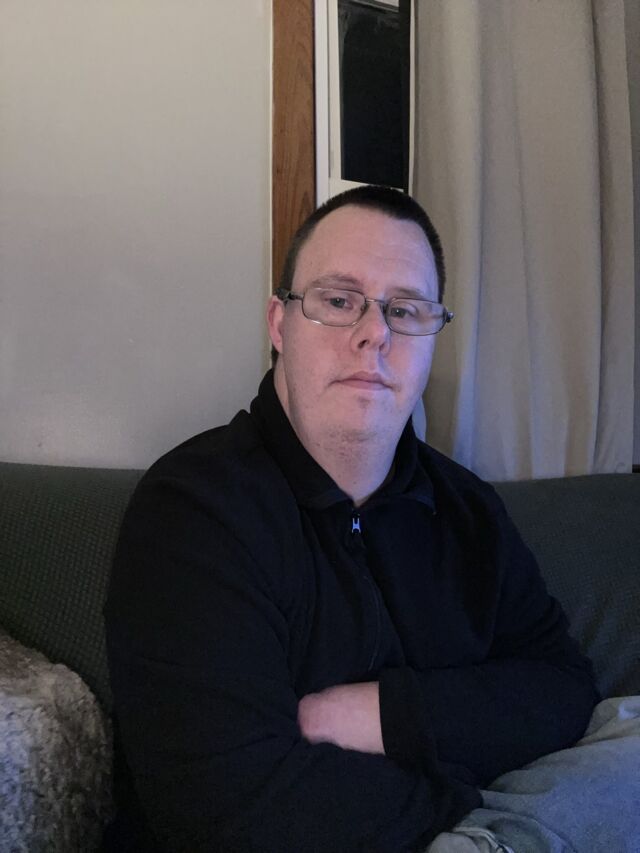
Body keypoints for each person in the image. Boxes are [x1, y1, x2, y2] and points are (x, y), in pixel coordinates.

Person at [103, 185, 599, 852]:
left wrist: (387, 715)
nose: (375, 334)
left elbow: (563, 689)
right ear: (279, 324)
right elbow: (226, 805)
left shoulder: (470, 512)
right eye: (339, 301)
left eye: (406, 309)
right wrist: (469, 807)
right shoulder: (193, 510)